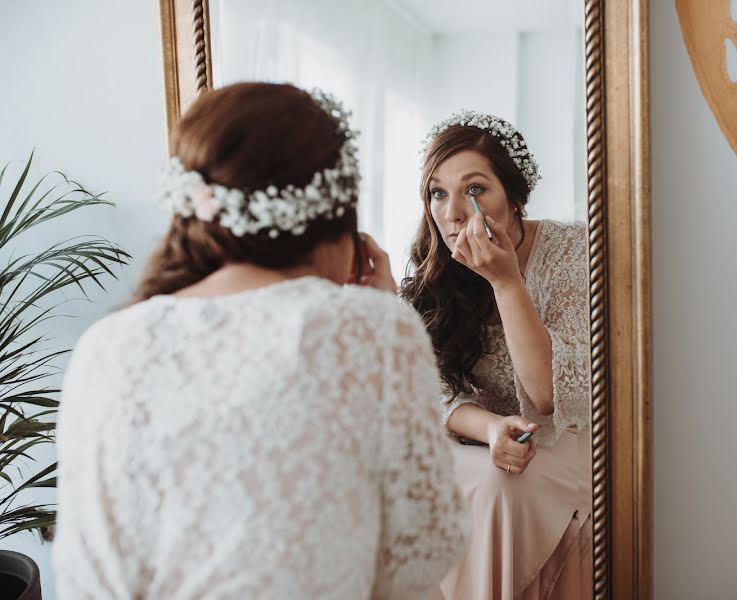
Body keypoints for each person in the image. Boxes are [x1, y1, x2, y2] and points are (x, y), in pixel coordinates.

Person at [53, 82, 467, 600]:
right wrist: (377, 311)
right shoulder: (373, 330)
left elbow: (89, 581)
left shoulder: (108, 346)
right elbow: (423, 553)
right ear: (336, 215)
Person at [401, 111, 592, 599]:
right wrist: (487, 428)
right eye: (437, 193)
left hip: (560, 445)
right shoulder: (435, 268)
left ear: (516, 195)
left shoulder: (575, 250)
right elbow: (425, 388)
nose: (453, 212)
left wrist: (506, 280)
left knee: (499, 488)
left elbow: (550, 396)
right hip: (476, 442)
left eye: (475, 189)